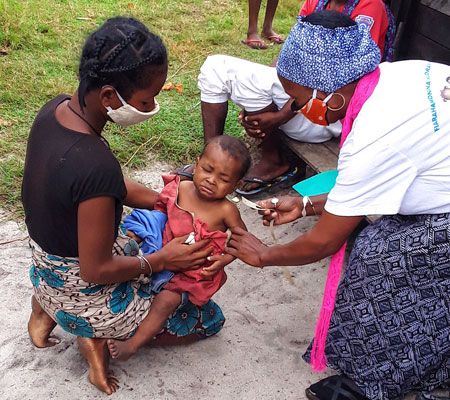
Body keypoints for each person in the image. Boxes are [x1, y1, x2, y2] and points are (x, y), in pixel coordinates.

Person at [226, 11, 450, 400]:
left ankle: (376, 378)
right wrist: (307, 204)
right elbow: (366, 187)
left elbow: (323, 243)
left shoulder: (376, 132)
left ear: (333, 93)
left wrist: (265, 255)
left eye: (297, 100)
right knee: (376, 242)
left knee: (382, 258)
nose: (296, 110)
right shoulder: (399, 74)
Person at [21, 17, 229, 395]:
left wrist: (170, 201)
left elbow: (108, 188)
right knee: (203, 316)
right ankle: (94, 338)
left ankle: (43, 311)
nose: (151, 106)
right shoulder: (93, 163)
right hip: (85, 286)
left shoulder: (54, 113)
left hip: (45, 267)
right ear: (109, 97)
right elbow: (97, 268)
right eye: (146, 99)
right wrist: (165, 259)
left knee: (137, 235)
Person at [197, 0, 394, 195]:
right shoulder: (316, 2)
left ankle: (273, 160)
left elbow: (346, 78)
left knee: (232, 73)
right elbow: (291, 54)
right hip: (311, 101)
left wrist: (280, 116)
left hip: (330, 114)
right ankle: (211, 159)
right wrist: (260, 96)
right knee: (216, 68)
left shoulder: (370, 7)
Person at [106, 135, 250, 360]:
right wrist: (148, 232)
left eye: (223, 178)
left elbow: (242, 239)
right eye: (207, 169)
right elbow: (161, 211)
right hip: (162, 247)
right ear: (196, 163)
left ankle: (133, 344)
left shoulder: (226, 210)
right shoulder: (181, 188)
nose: (211, 180)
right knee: (133, 234)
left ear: (236, 185)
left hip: (190, 270)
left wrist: (225, 259)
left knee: (166, 301)